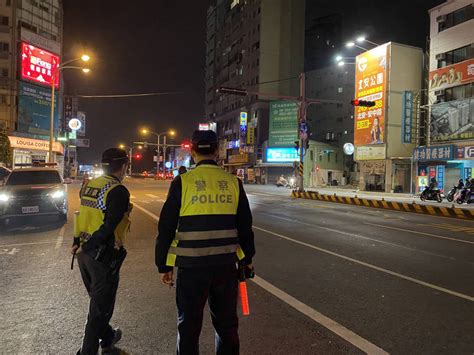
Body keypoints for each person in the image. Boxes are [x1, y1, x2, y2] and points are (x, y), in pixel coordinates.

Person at [155, 130, 255, 354]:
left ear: (192, 152)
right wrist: (247, 260)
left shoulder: (183, 182)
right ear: (217, 151)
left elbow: (166, 227)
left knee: (189, 327)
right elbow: (245, 227)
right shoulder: (233, 183)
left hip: (191, 269)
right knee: (227, 326)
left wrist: (164, 265)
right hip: (225, 268)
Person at [72, 148, 132, 355]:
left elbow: (81, 215)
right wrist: (91, 245)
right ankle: (86, 352)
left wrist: (77, 241)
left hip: (83, 253)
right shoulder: (117, 190)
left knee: (99, 302)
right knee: (99, 309)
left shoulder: (90, 186)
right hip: (102, 255)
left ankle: (107, 337)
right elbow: (109, 226)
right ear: (124, 166)